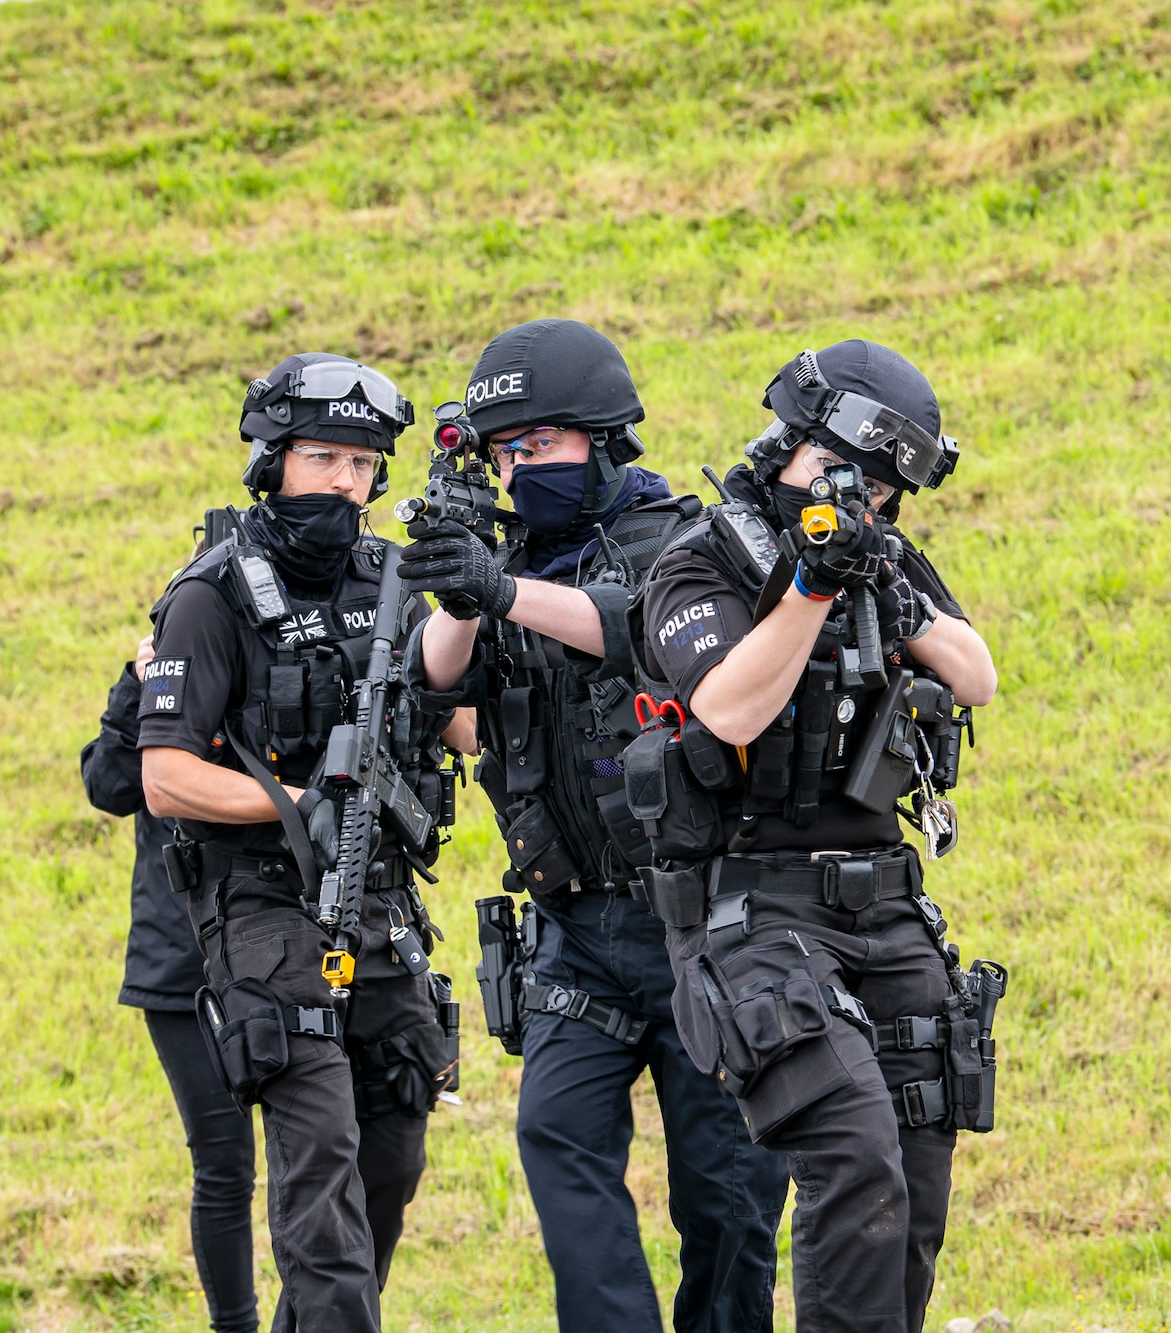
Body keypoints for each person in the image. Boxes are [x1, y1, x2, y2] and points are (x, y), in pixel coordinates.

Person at [402, 319, 790, 1333]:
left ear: (602, 437)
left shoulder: (684, 540)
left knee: (728, 1197)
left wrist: (499, 589)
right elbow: (435, 683)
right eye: (502, 453)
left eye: (536, 446)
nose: (516, 469)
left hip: (707, 922)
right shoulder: (507, 562)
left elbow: (630, 623)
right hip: (576, 932)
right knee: (557, 1136)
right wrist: (458, 583)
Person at [634, 341, 1000, 1333]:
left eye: (884, 492)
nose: (865, 502)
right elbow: (728, 711)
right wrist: (807, 585)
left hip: (882, 904)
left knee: (915, 1179)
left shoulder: (882, 550)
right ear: (795, 445)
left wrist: (879, 570)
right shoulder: (698, 560)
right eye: (853, 478)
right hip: (750, 914)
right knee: (851, 1148)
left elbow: (973, 674)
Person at [138, 354, 467, 1333]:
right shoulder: (210, 595)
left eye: (363, 464)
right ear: (271, 460)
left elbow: (466, 727)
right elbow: (163, 777)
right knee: (316, 1161)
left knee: (393, 1146)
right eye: (322, 457)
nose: (344, 483)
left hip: (381, 900)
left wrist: (465, 601)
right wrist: (292, 801)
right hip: (263, 908)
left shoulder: (393, 577)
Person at [82, 628, 262, 1333]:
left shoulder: (272, 654)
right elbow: (109, 784)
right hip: (181, 963)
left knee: (321, 1155)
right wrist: (138, 684)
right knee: (223, 1162)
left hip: (284, 943)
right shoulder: (162, 672)